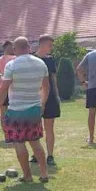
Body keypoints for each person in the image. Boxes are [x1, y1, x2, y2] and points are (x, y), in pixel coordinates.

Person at [0, 37, 50, 183]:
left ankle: (27, 175)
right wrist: (42, 103)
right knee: (35, 142)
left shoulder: (11, 65)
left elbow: (3, 89)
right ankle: (44, 173)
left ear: (15, 48)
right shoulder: (41, 63)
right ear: (29, 47)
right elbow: (46, 87)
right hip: (34, 108)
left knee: (19, 143)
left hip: (16, 110)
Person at [32, 34, 60, 166]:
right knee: (35, 127)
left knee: (49, 127)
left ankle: (50, 155)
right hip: (35, 96)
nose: (51, 48)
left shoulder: (50, 60)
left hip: (50, 96)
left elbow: (53, 79)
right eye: (50, 45)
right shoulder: (32, 59)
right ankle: (36, 153)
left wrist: (57, 95)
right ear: (42, 44)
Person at [0, 41, 16, 121]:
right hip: (12, 88)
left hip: (1, 88)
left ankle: (5, 131)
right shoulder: (15, 59)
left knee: (3, 111)